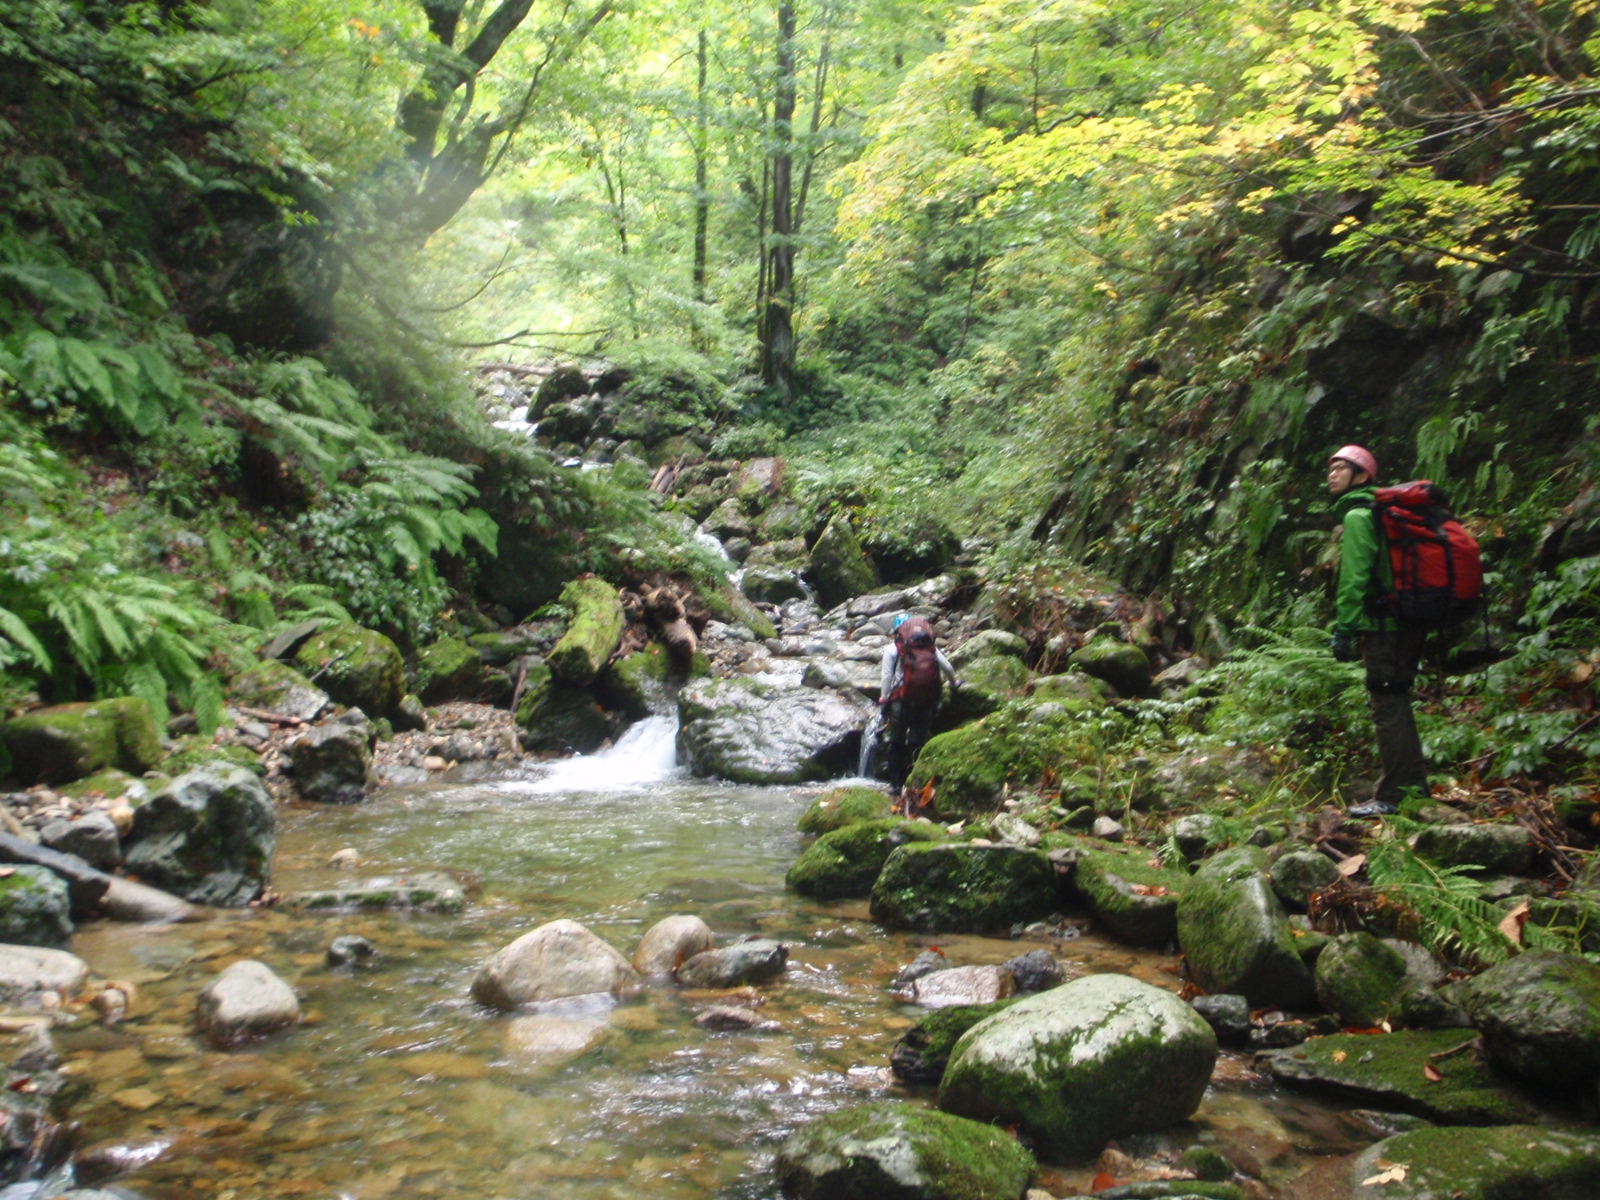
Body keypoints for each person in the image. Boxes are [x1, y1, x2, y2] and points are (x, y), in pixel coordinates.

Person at [1326, 444, 1430, 817]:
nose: (1332, 475)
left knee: (1386, 705)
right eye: (1331, 469)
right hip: (1407, 621)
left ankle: (1394, 796)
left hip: (1384, 626)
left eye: (1342, 468)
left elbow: (1354, 579)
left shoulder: (1359, 516)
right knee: (1397, 700)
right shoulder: (1382, 512)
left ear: (1363, 476)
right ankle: (1414, 786)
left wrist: (1345, 629)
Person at [878, 613, 960, 790]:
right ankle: (915, 784)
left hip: (901, 700)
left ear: (897, 632)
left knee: (896, 743)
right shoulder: (929, 647)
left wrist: (884, 699)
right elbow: (947, 667)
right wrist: (955, 683)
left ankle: (895, 786)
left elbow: (887, 677)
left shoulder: (892, 649)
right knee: (917, 743)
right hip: (925, 701)